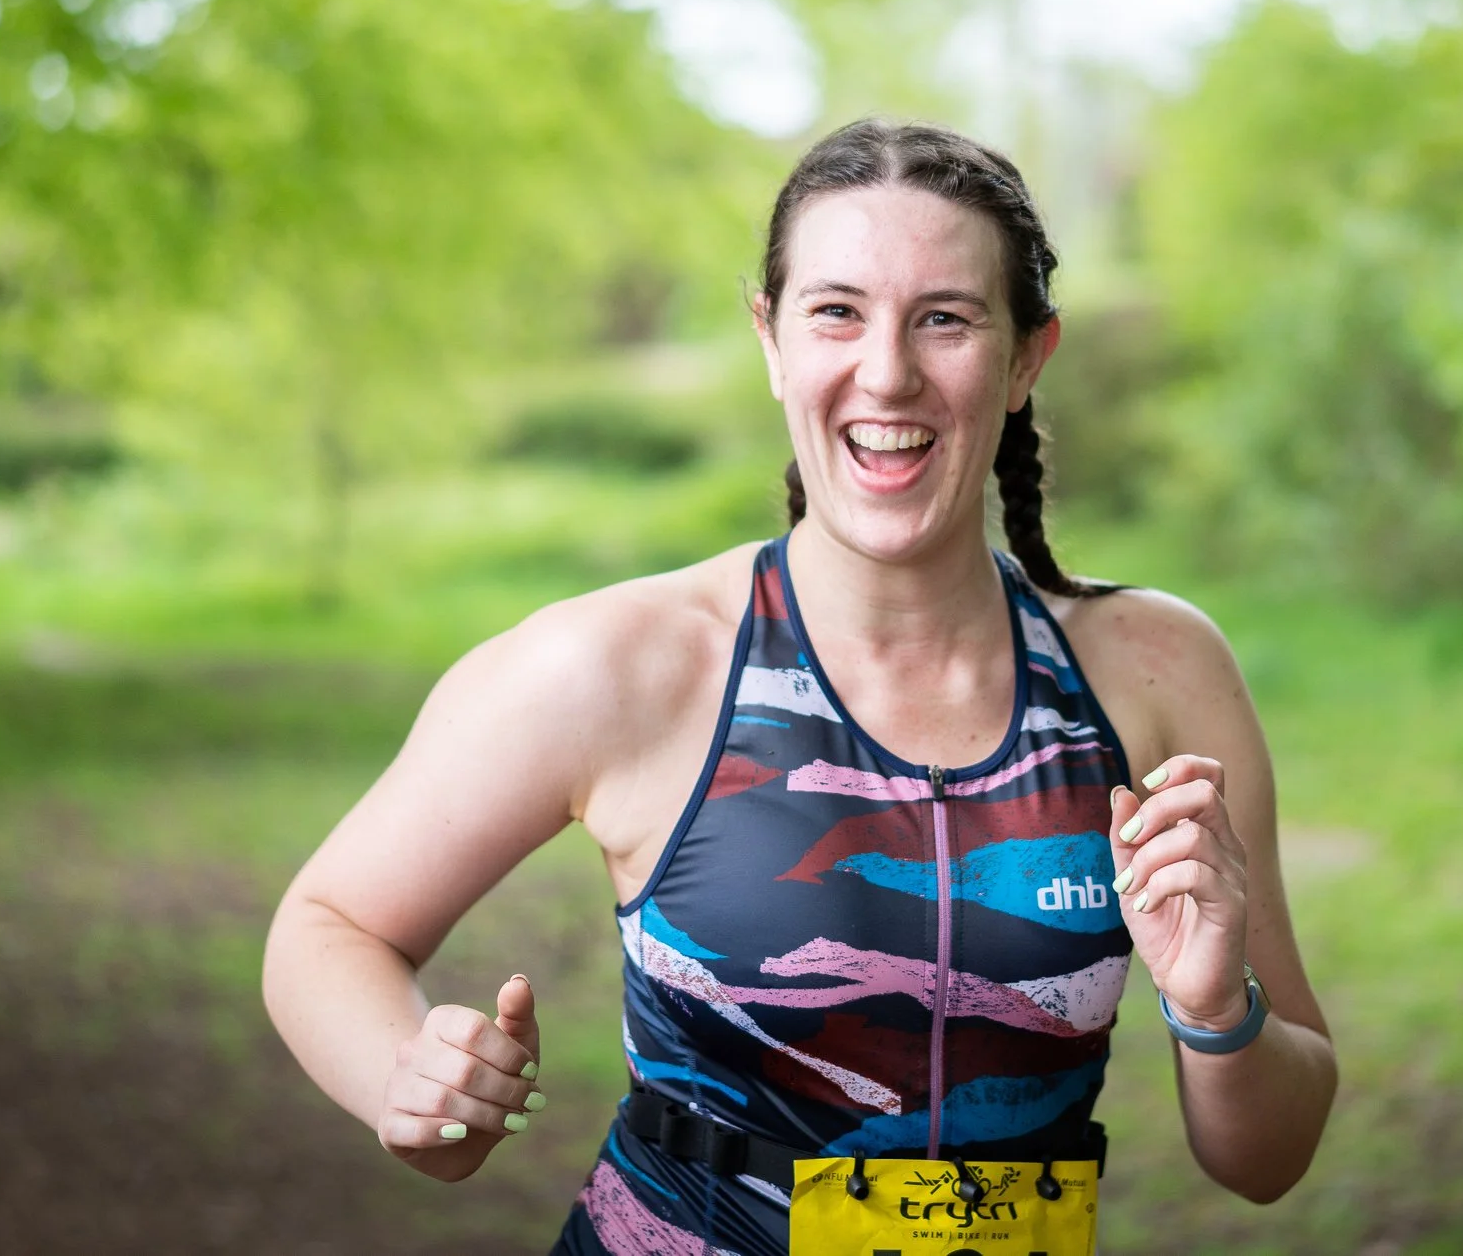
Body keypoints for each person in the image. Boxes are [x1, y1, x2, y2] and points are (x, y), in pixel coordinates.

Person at [262, 119, 1339, 1253]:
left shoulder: (1154, 670)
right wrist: (410, 1075)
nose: (887, 371)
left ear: (1027, 358)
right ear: (770, 339)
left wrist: (1217, 1011)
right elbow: (327, 923)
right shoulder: (624, 663)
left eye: (946, 317)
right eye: (836, 310)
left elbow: (1266, 1158)